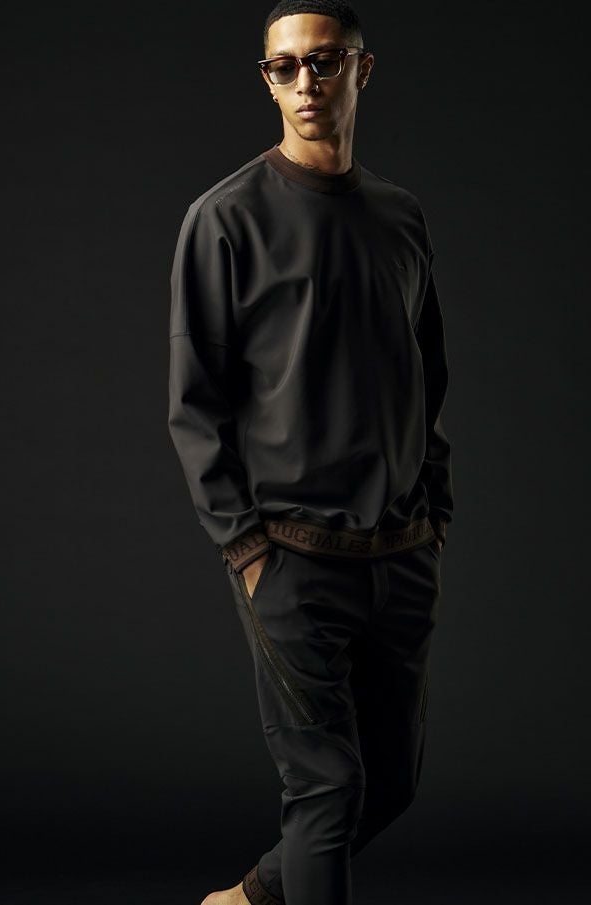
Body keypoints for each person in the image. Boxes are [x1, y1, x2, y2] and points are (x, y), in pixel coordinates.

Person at [168, 1, 454, 903]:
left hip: (401, 554)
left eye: (323, 62)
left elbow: (427, 377)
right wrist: (248, 548)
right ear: (267, 80)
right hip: (293, 558)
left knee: (389, 784)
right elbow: (194, 400)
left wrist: (434, 511)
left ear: (361, 70)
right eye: (283, 66)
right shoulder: (225, 218)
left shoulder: (401, 217)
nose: (304, 82)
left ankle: (249, 899)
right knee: (326, 789)